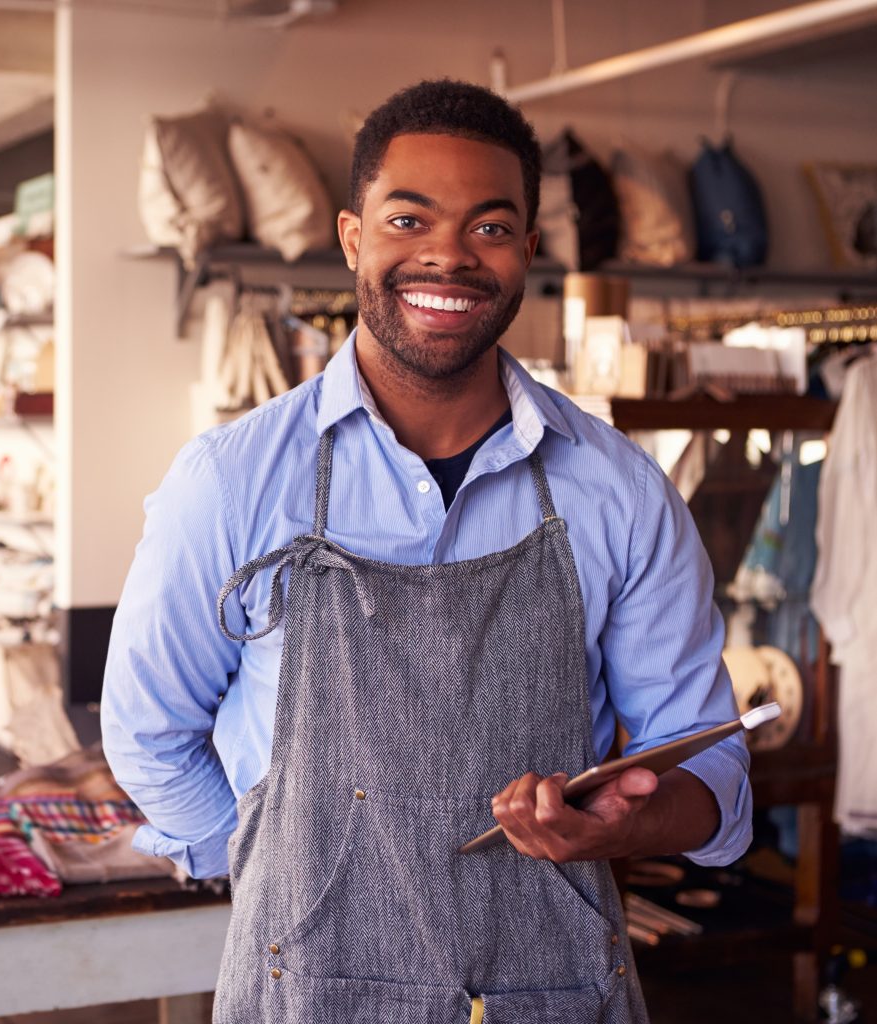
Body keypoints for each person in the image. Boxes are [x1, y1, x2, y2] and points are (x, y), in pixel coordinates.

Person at [102, 79, 752, 1024]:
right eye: (409, 219)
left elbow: (714, 781)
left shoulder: (619, 492)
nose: (448, 254)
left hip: (556, 990)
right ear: (353, 236)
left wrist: (628, 822)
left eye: (490, 228)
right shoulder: (232, 480)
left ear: (528, 251)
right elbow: (149, 732)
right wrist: (273, 867)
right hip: (305, 993)